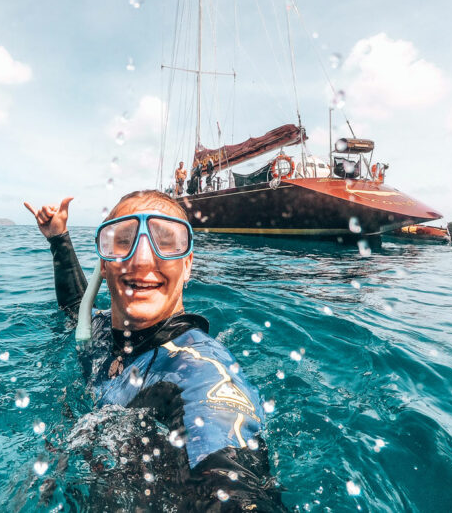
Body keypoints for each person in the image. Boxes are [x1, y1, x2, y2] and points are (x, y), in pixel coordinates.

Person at [23, 192, 285, 511]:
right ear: (104, 265)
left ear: (187, 265)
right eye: (123, 240)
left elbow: (230, 483)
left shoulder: (197, 372)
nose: (143, 259)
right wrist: (59, 239)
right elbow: (75, 310)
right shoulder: (100, 329)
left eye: (166, 241)